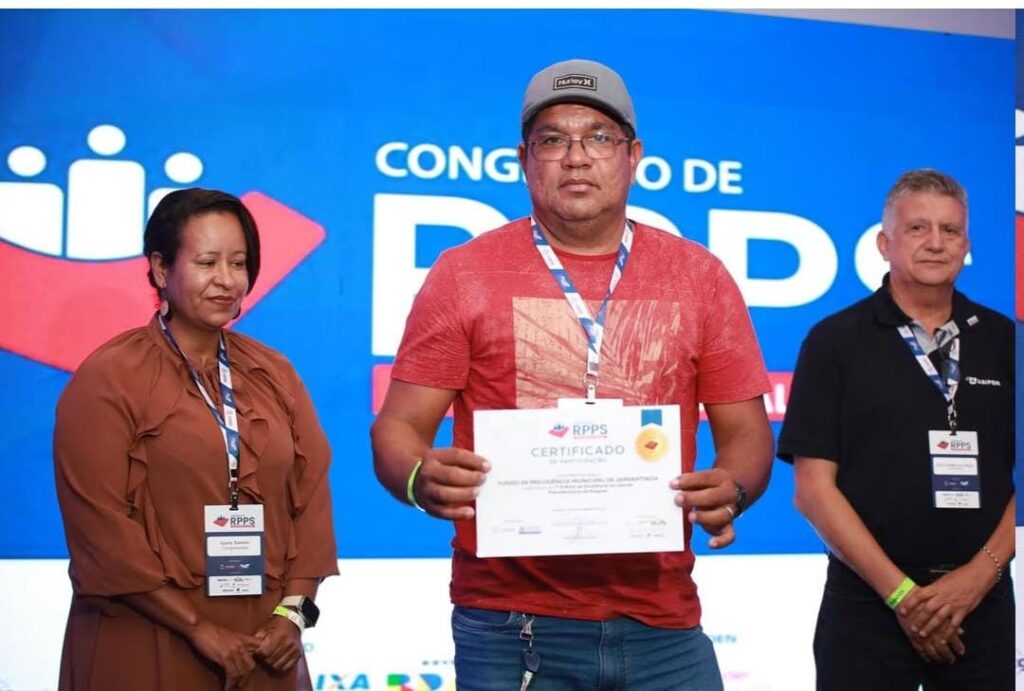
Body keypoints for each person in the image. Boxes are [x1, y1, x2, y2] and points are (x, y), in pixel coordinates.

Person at [371, 58, 774, 689]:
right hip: (510, 623)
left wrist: (735, 489)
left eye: (599, 137)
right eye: (553, 139)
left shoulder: (699, 276)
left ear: (633, 156)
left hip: (664, 621)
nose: (577, 156)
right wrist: (421, 478)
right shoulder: (463, 273)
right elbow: (397, 427)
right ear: (524, 159)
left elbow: (748, 434)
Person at [54, 188, 337, 691]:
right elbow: (100, 530)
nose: (226, 280)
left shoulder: (274, 373)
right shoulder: (109, 377)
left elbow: (311, 502)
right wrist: (197, 629)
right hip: (147, 636)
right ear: (161, 269)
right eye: (207, 262)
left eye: (238, 263)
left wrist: (293, 614)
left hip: (264, 643)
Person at [777, 169, 1014, 690]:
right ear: (885, 244)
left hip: (982, 600)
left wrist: (979, 577)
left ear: (967, 246)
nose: (936, 243)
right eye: (917, 228)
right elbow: (813, 491)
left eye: (950, 230)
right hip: (867, 604)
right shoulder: (834, 340)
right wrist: (902, 596)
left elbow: (1018, 481)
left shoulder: (1005, 340)